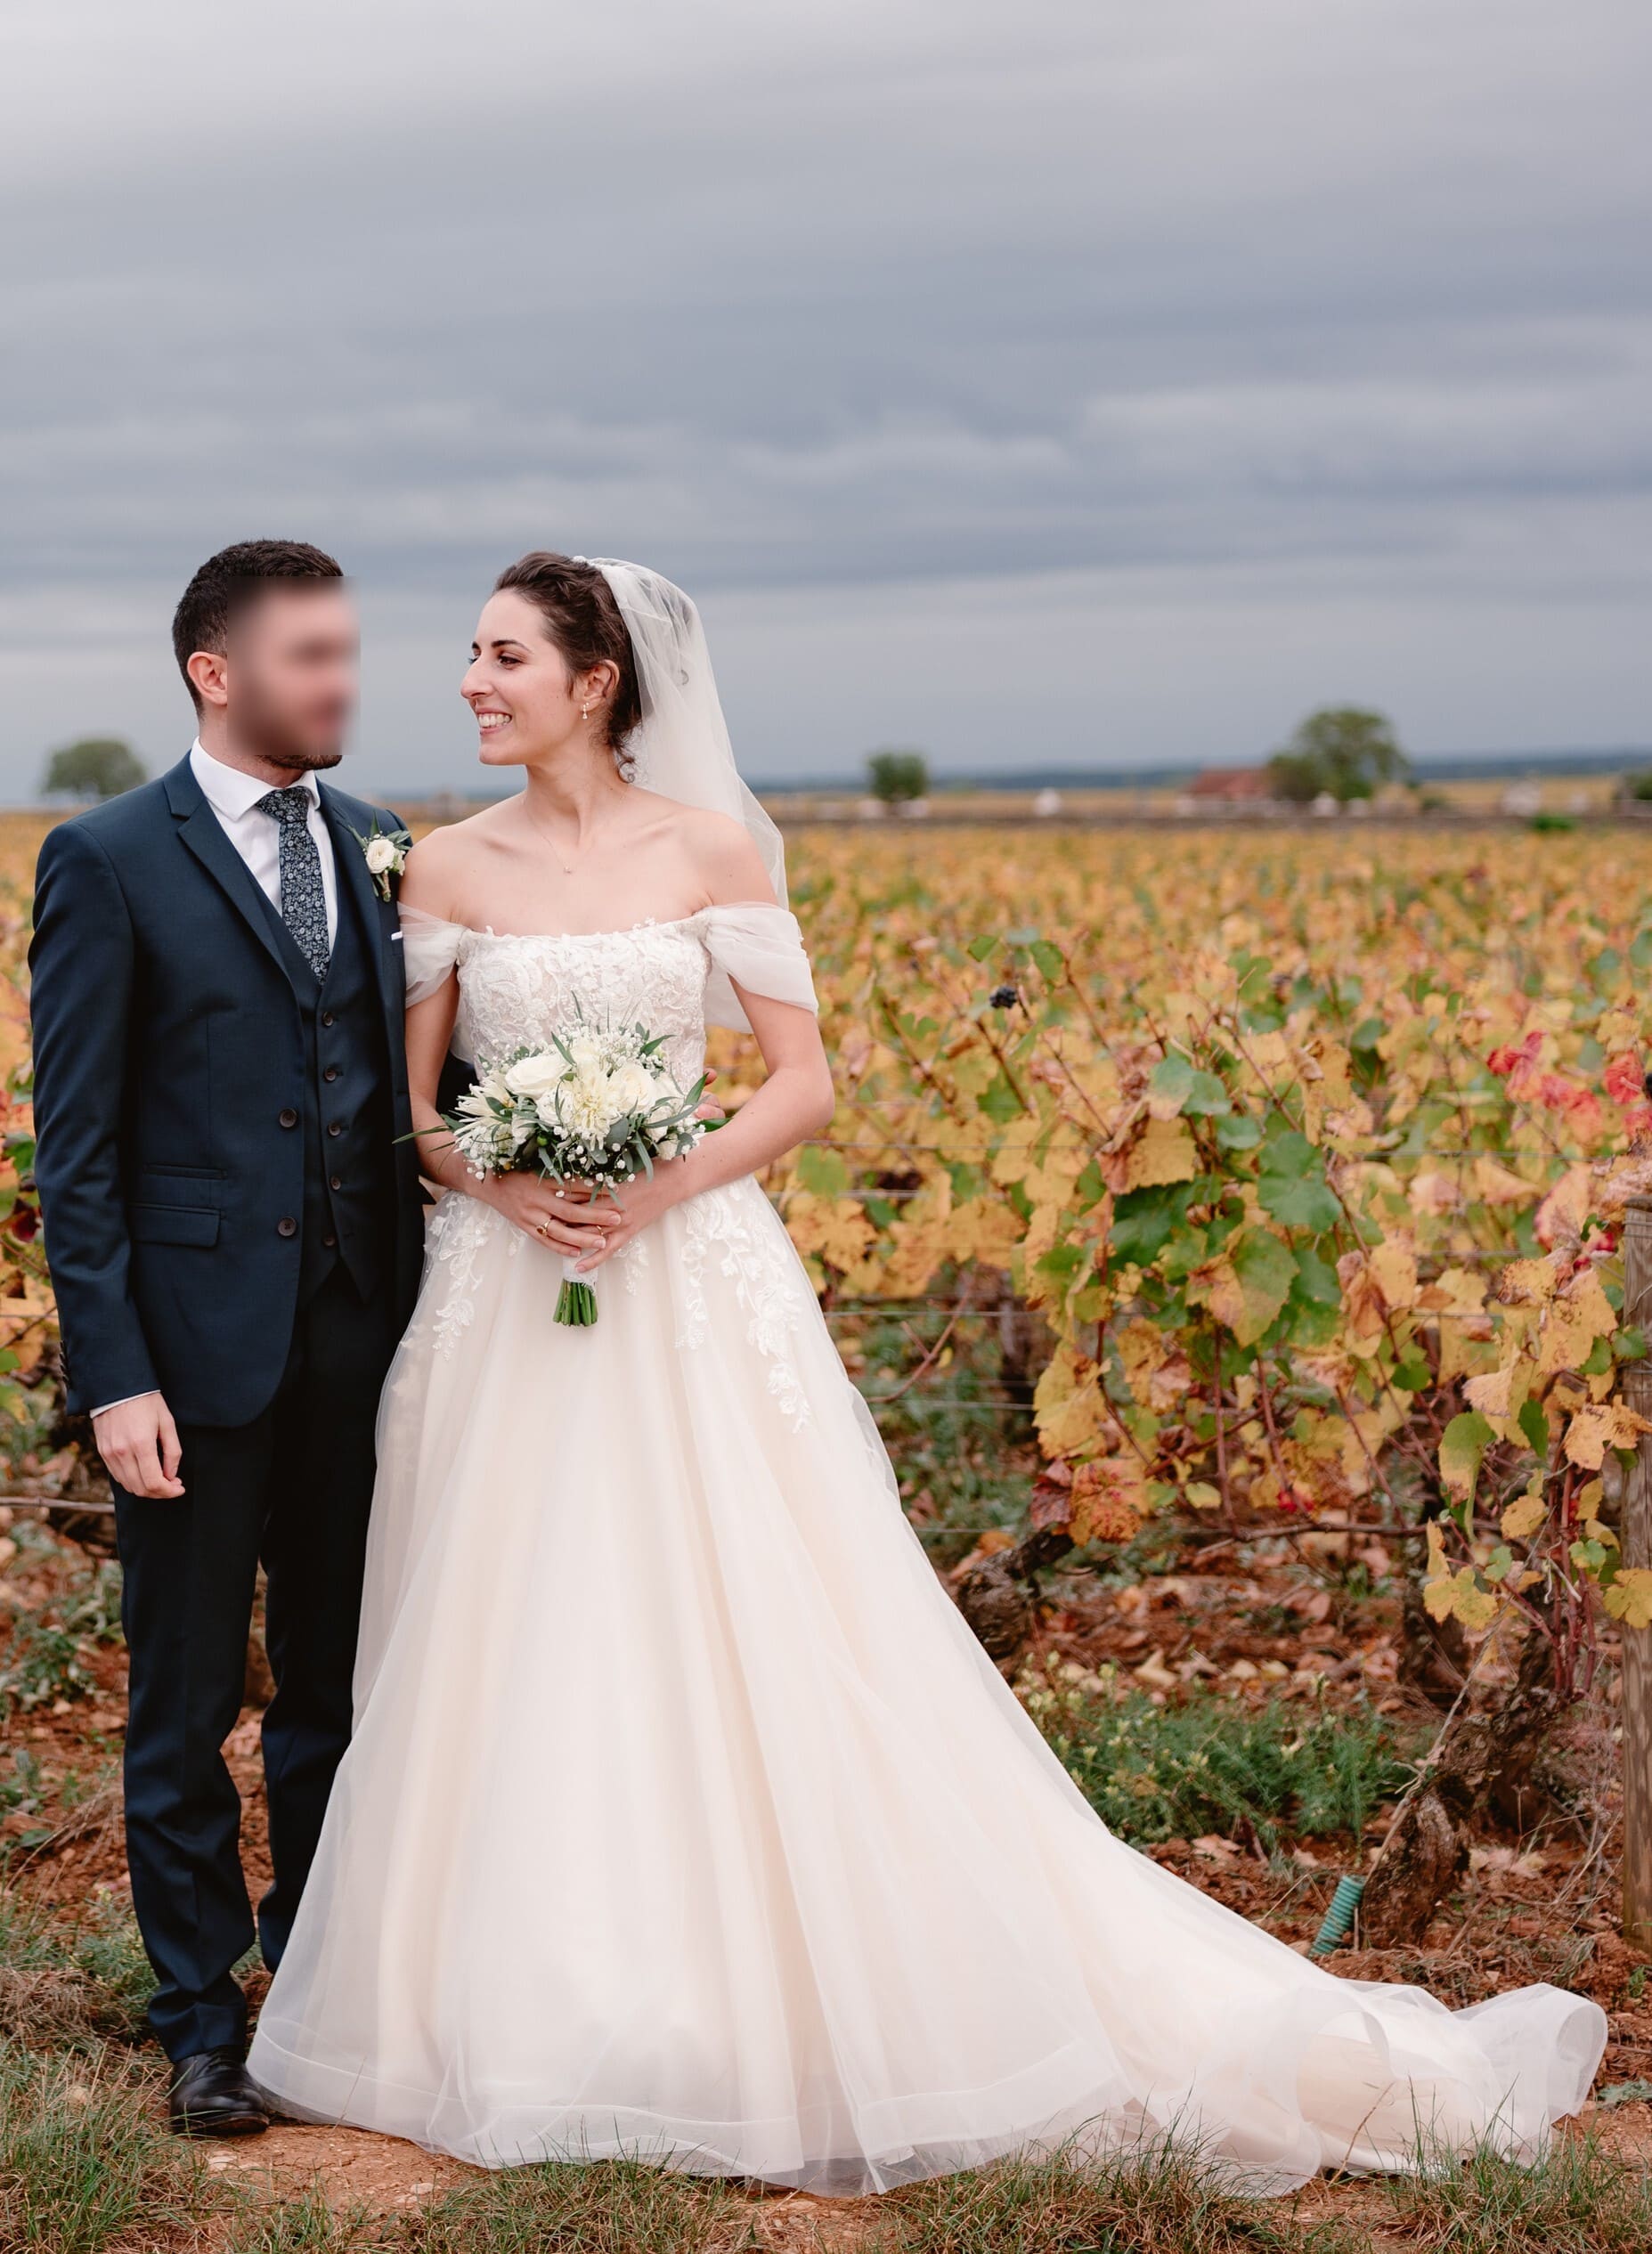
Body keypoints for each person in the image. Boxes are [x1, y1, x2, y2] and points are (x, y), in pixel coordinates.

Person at [246, 551, 1606, 2195]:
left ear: (594, 682)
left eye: (503, 655)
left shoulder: (711, 848)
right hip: (504, 1287)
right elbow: (417, 1112)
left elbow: (799, 1084)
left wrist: (658, 1182)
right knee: (509, 1614)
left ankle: (769, 1995)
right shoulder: (446, 863)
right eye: (470, 653)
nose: (470, 679)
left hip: (685, 1275)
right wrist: (510, 1181)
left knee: (741, 1606)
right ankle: (522, 2000)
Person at [28, 541, 434, 2136]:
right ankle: (200, 2018)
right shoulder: (109, 858)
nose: (341, 682)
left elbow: (419, 1089)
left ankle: (316, 1991)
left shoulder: (382, 843)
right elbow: (77, 1152)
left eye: (346, 653)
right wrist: (115, 1372)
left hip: (364, 1341)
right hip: (190, 1358)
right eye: (310, 657)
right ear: (217, 673)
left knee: (337, 1686)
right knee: (185, 1700)